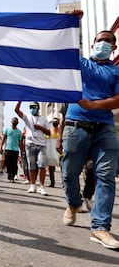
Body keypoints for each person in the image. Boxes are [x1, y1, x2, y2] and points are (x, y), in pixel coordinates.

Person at [59, 27, 119, 250]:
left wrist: (95, 104)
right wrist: (71, 23)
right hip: (76, 126)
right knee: (69, 172)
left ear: (113, 48)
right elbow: (62, 48)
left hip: (104, 128)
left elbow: (118, 99)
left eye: (108, 41)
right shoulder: (81, 64)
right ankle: (74, 204)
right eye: (99, 40)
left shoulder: (116, 72)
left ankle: (100, 227)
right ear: (92, 43)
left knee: (106, 176)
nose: (103, 43)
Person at [15, 101, 50, 195]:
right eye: (30, 107)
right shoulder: (27, 117)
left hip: (42, 145)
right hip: (30, 144)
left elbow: (49, 132)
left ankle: (41, 186)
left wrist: (41, 128)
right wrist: (20, 100)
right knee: (31, 166)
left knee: (42, 165)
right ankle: (32, 185)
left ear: (38, 108)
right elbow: (16, 110)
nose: (32, 109)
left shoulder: (44, 119)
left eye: (34, 107)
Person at [0, 117, 22, 183]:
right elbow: (4, 139)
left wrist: (22, 151)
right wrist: (1, 147)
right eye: (13, 121)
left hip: (15, 150)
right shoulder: (7, 129)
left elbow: (20, 142)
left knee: (14, 164)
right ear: (11, 122)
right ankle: (9, 175)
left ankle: (13, 176)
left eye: (15, 121)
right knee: (8, 163)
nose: (14, 122)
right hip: (8, 149)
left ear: (17, 123)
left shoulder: (19, 132)